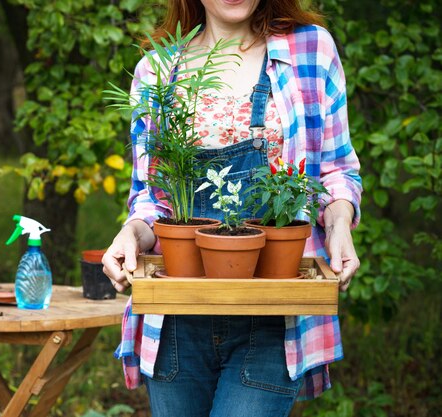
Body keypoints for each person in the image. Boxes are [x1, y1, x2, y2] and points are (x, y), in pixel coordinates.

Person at [102, 0, 363, 415]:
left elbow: (335, 173)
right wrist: (130, 234)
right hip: (176, 318)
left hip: (275, 316)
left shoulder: (310, 51)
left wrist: (339, 227)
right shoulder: (157, 72)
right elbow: (153, 199)